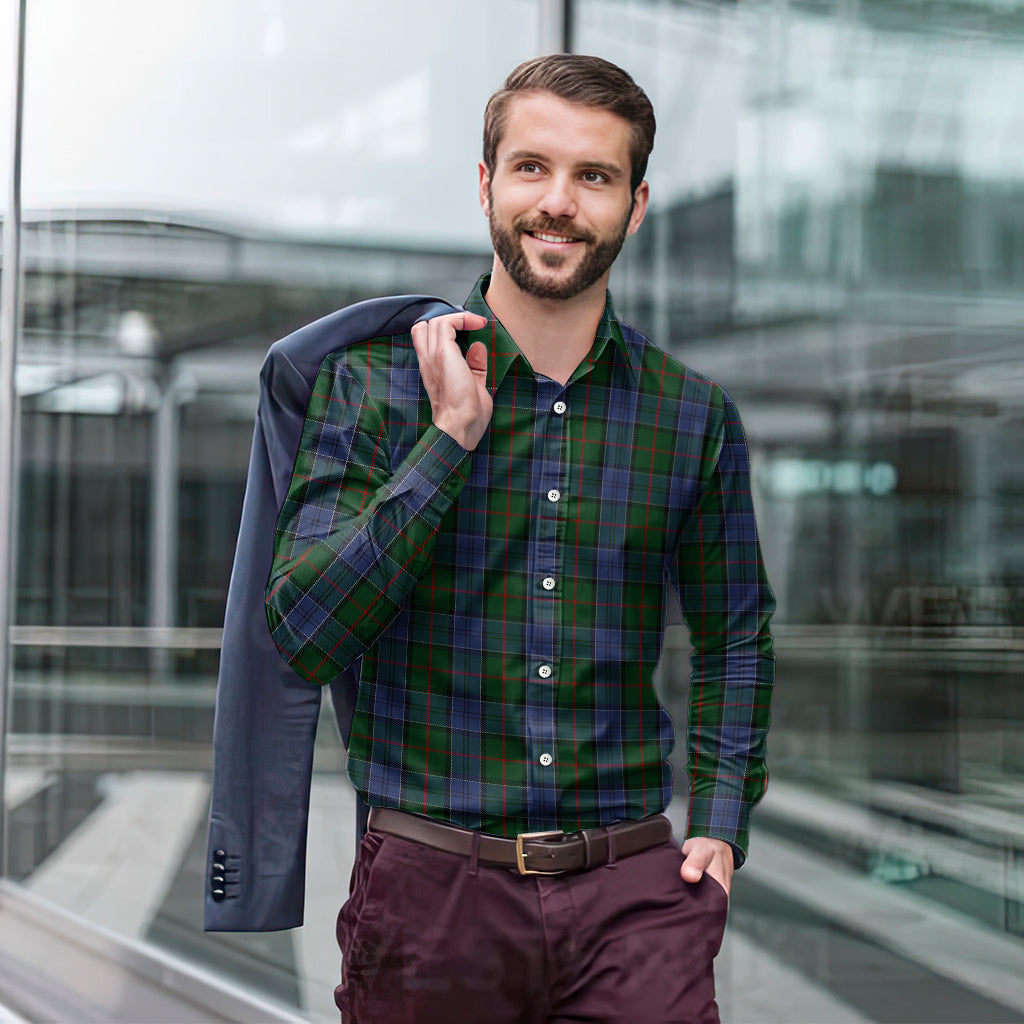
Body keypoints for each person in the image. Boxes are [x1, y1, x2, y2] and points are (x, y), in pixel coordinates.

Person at [264, 53, 775, 1023]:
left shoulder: (689, 416)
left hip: (633, 898)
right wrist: (449, 440)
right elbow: (304, 629)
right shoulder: (373, 389)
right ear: (487, 182)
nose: (559, 202)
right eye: (533, 167)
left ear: (636, 203)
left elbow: (736, 633)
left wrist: (717, 821)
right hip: (432, 896)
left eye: (595, 176)